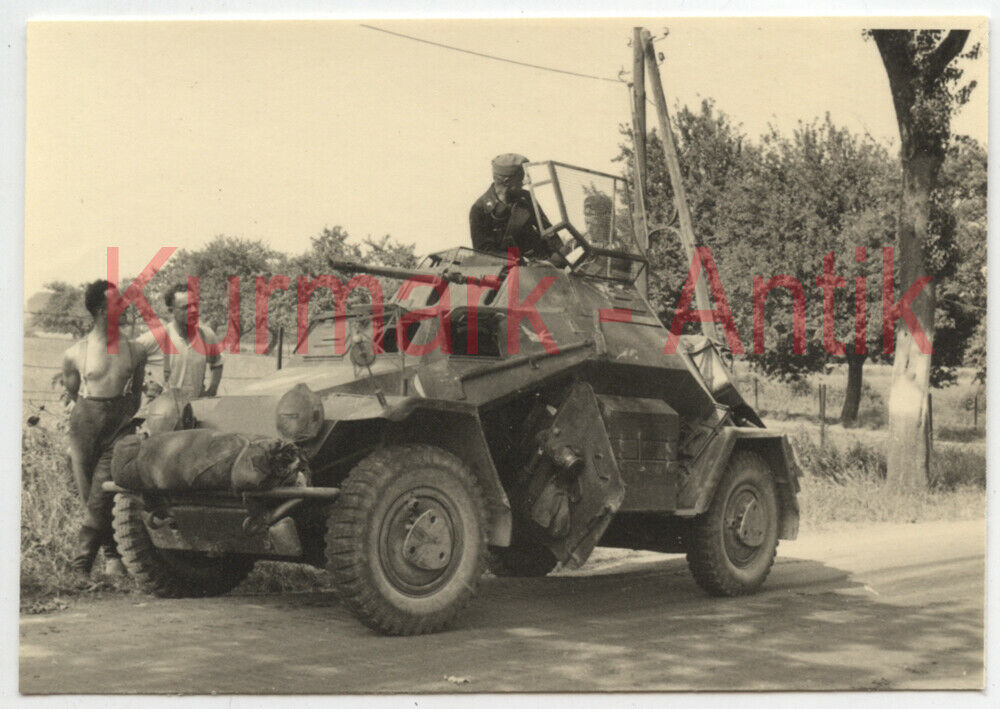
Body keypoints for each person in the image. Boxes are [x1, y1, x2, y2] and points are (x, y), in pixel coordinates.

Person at [61, 280, 146, 577]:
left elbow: (136, 393)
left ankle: (80, 564)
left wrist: (121, 416)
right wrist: (92, 415)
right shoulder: (75, 353)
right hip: (85, 422)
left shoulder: (136, 350)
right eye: (115, 302)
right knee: (92, 497)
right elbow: (74, 394)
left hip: (119, 423)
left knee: (101, 493)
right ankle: (113, 558)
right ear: (99, 309)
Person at [469, 153, 565, 263]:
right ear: (506, 181)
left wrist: (560, 254)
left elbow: (548, 231)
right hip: (509, 272)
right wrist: (521, 260)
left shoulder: (526, 198)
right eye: (520, 179)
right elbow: (484, 252)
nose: (524, 183)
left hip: (542, 264)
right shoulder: (480, 209)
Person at [136, 282, 224, 400]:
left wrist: (212, 389)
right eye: (186, 307)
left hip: (194, 410)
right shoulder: (158, 337)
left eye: (195, 305)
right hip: (164, 411)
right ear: (171, 311)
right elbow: (125, 356)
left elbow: (217, 363)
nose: (193, 310)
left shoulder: (206, 335)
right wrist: (144, 385)